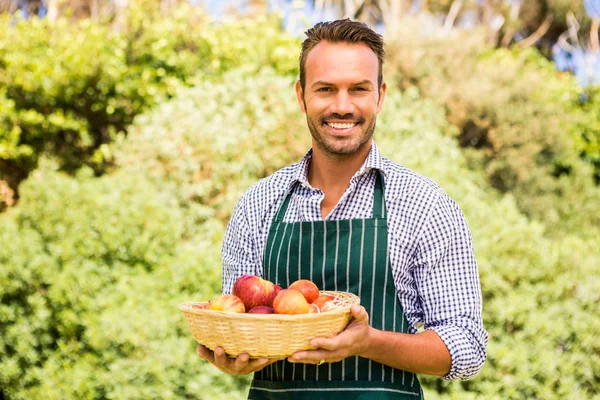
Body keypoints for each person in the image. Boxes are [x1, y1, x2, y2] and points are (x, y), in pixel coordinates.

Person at [197, 18, 488, 399]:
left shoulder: (425, 205)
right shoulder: (257, 204)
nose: (342, 106)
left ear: (380, 96)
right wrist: (234, 354)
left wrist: (368, 342)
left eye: (358, 89)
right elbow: (239, 321)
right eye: (326, 89)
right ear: (301, 95)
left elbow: (467, 349)